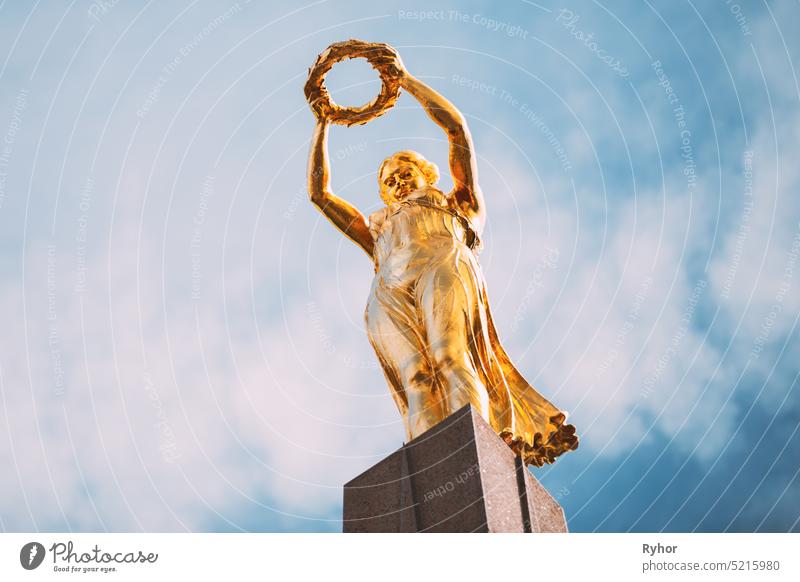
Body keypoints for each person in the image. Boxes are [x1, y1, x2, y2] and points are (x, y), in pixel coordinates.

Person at [307, 49, 578, 466]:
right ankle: (430, 465)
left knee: (452, 357)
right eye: (390, 181)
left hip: (443, 265)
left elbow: (457, 131)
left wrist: (406, 80)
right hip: (389, 289)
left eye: (405, 173)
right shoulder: (377, 229)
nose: (398, 182)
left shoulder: (458, 203)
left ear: (426, 176)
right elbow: (319, 195)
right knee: (416, 377)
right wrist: (322, 123)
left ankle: (480, 446)